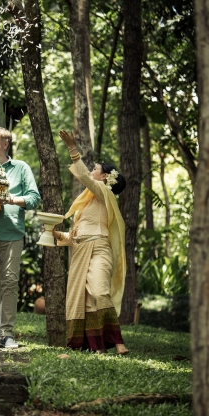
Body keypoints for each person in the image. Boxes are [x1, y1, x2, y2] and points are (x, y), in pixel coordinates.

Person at [51, 129, 129, 354]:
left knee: (100, 290)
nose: (92, 171)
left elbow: (83, 175)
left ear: (104, 177)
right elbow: (76, 235)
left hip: (99, 247)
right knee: (82, 300)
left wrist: (72, 148)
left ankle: (117, 341)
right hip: (79, 249)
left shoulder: (104, 192)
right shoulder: (86, 203)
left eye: (95, 168)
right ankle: (93, 346)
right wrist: (58, 235)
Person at [0, 127, 41, 349]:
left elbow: (34, 198)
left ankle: (7, 333)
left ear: (5, 144)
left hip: (11, 234)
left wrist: (11, 200)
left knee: (10, 282)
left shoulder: (20, 168)